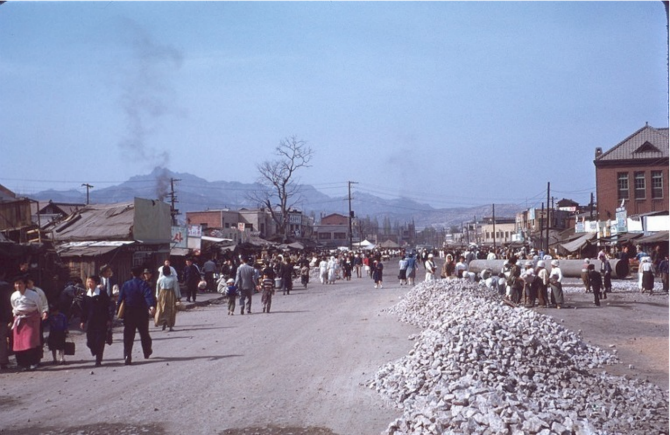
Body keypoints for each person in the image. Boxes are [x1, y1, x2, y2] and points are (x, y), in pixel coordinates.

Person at [118, 266, 155, 365]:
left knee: (128, 336)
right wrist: (151, 306)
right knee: (144, 333)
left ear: (131, 273)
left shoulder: (126, 285)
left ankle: (127, 356)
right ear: (141, 274)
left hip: (129, 313)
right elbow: (148, 295)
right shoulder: (144, 284)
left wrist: (118, 311)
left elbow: (120, 299)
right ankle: (147, 351)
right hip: (142, 313)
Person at [10, 275, 45, 371]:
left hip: (31, 319)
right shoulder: (14, 295)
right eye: (16, 283)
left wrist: (39, 316)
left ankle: (33, 362)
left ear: (25, 284)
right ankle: (22, 364)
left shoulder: (33, 295)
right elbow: (13, 306)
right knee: (19, 343)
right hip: (19, 319)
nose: (18, 285)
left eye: (20, 283)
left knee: (30, 342)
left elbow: (39, 306)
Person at [80, 275, 114, 367]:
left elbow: (108, 307)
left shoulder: (102, 294)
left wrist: (109, 319)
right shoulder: (86, 295)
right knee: (89, 341)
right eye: (87, 282)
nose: (89, 284)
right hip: (91, 322)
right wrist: (83, 321)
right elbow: (84, 310)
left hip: (101, 321)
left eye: (91, 282)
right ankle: (94, 351)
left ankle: (98, 360)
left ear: (95, 283)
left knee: (100, 341)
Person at [155, 265, 181, 331]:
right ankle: (170, 325)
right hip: (171, 294)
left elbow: (157, 289)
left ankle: (163, 322)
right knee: (171, 309)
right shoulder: (173, 278)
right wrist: (178, 297)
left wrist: (157, 296)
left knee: (162, 308)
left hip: (162, 294)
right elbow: (176, 288)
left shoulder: (160, 279)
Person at [0, 276, 13, 370]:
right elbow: (10, 303)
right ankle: (3, 361)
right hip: (3, 317)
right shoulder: (6, 286)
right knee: (2, 340)